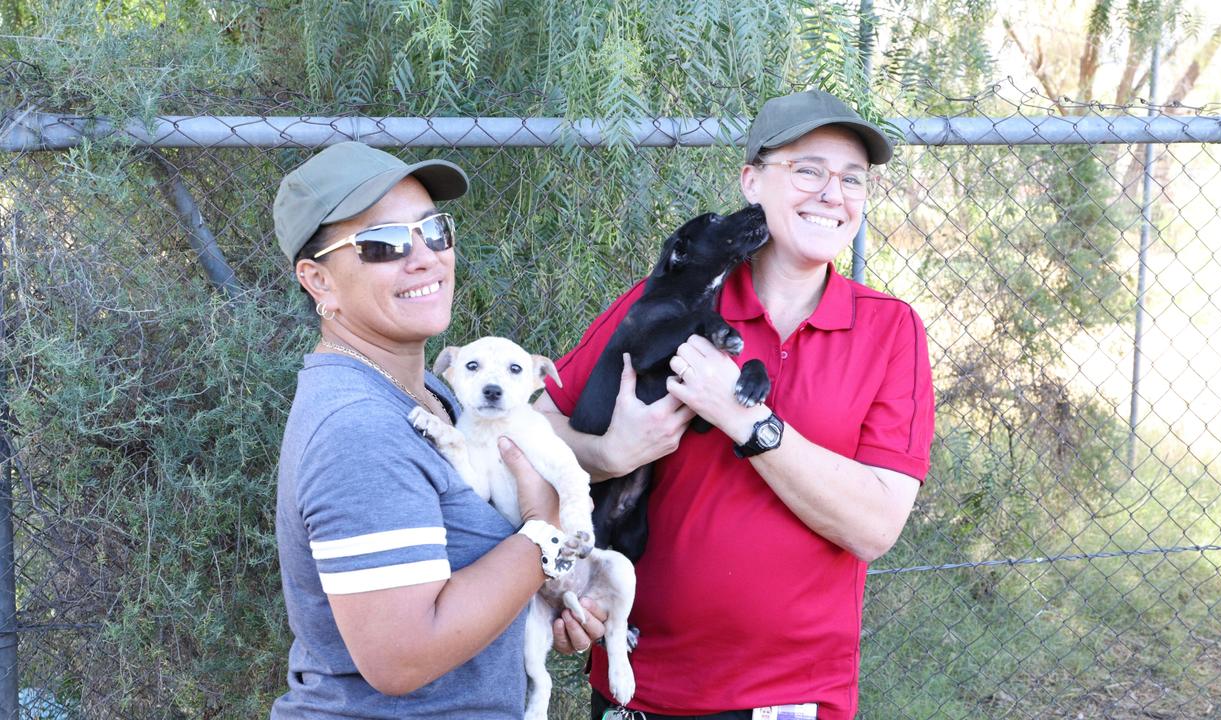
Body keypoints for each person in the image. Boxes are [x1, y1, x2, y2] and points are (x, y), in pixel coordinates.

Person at [535, 89, 936, 719]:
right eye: (808, 169)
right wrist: (607, 453)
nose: (833, 193)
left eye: (852, 179)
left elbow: (875, 526)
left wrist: (746, 418)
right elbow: (529, 426)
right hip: (647, 685)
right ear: (751, 182)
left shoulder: (889, 330)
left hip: (795, 698)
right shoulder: (670, 298)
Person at [270, 141, 602, 718]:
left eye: (434, 231)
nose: (424, 256)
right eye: (384, 244)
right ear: (319, 282)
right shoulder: (361, 430)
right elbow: (402, 657)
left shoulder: (440, 397)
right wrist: (545, 534)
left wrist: (540, 597)